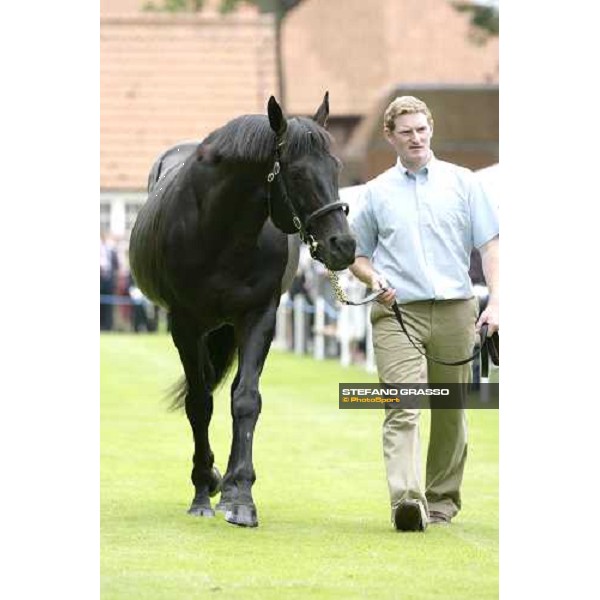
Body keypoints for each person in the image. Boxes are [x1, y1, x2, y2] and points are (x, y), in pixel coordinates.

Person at [349, 96, 499, 532]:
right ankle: (407, 500)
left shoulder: (463, 183)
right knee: (403, 406)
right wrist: (373, 280)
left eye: (421, 129)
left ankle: (441, 501)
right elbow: (358, 256)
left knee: (450, 410)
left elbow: (491, 245)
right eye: (406, 132)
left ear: (430, 129)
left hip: (457, 311)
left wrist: (499, 300)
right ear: (390, 137)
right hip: (398, 314)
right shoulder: (375, 192)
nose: (416, 138)